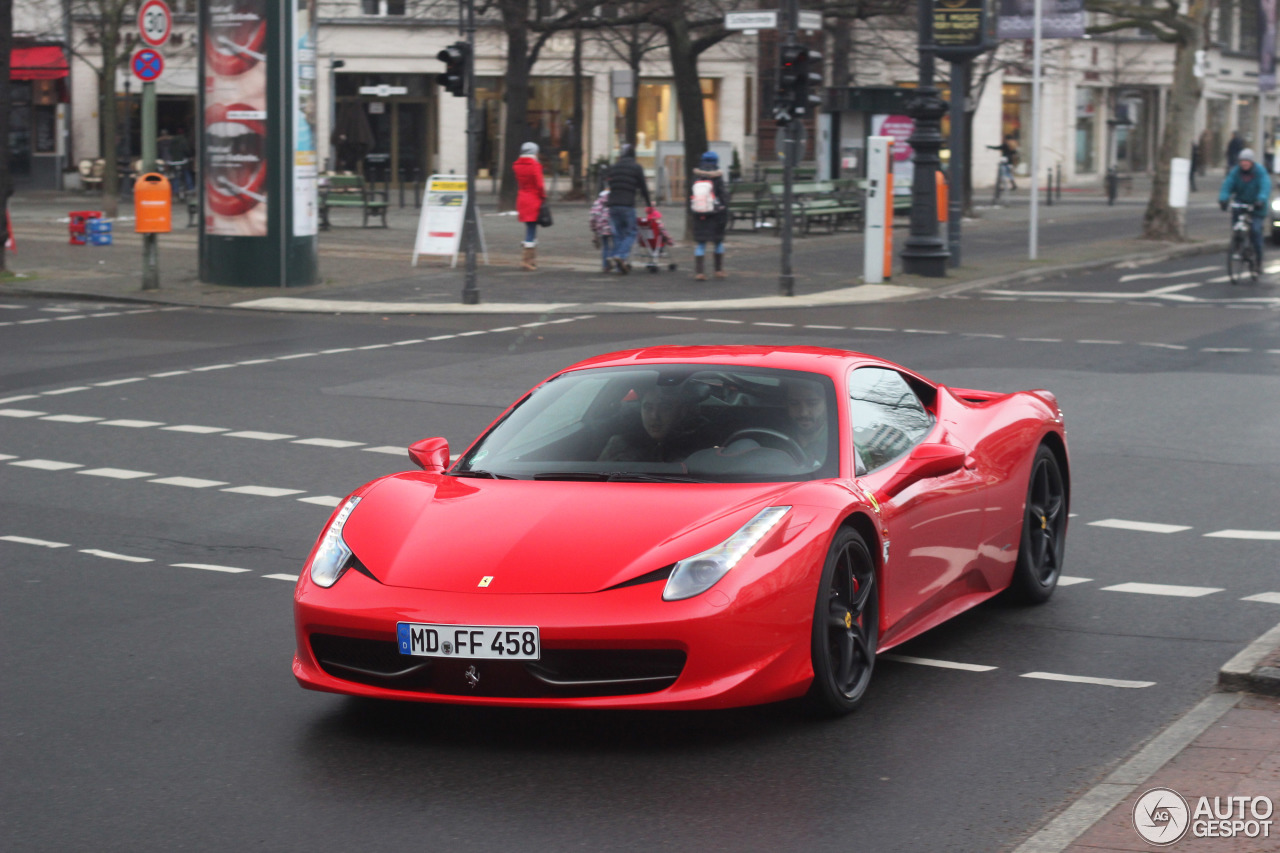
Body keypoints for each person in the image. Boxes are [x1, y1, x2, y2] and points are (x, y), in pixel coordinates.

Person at [598, 385, 702, 463]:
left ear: (681, 412)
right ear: (640, 410)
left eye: (664, 408)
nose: (654, 416)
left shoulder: (700, 448)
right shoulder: (619, 445)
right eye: (648, 408)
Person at [1219, 147, 1271, 267]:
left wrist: (1261, 200)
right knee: (1236, 225)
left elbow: (1265, 186)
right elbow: (1227, 185)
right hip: (1241, 202)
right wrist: (1223, 199)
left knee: (1255, 230)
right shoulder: (1236, 172)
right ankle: (1237, 245)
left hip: (1257, 205)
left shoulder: (1260, 172)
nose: (1244, 163)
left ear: (1252, 162)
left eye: (1247, 161)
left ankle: (1258, 259)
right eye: (1242, 161)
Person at [606, 143, 652, 274]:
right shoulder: (636, 167)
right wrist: (648, 204)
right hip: (627, 205)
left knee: (618, 234)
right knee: (631, 232)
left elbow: (609, 183)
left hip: (613, 205)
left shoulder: (614, 167)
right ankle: (620, 255)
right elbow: (643, 187)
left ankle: (616, 258)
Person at [689, 151, 730, 281]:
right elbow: (722, 195)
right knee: (718, 242)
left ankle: (700, 272)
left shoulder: (696, 176)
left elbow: (691, 194)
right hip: (715, 214)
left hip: (699, 214)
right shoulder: (717, 176)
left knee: (700, 243)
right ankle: (718, 271)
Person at [513, 141, 546, 271]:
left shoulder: (517, 165)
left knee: (530, 228)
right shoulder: (535, 165)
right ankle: (527, 260)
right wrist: (543, 197)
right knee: (531, 230)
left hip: (522, 199)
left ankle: (531, 259)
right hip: (533, 199)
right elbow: (540, 185)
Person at [785, 378, 829, 465]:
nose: (803, 413)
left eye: (812, 403)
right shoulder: (773, 439)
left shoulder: (841, 441)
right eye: (794, 403)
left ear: (827, 404)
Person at [589, 189, 613, 273]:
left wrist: (594, 230)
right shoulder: (614, 202)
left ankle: (605, 266)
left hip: (601, 228)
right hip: (612, 227)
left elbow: (592, 218)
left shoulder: (596, 203)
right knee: (616, 244)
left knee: (605, 246)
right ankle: (614, 260)